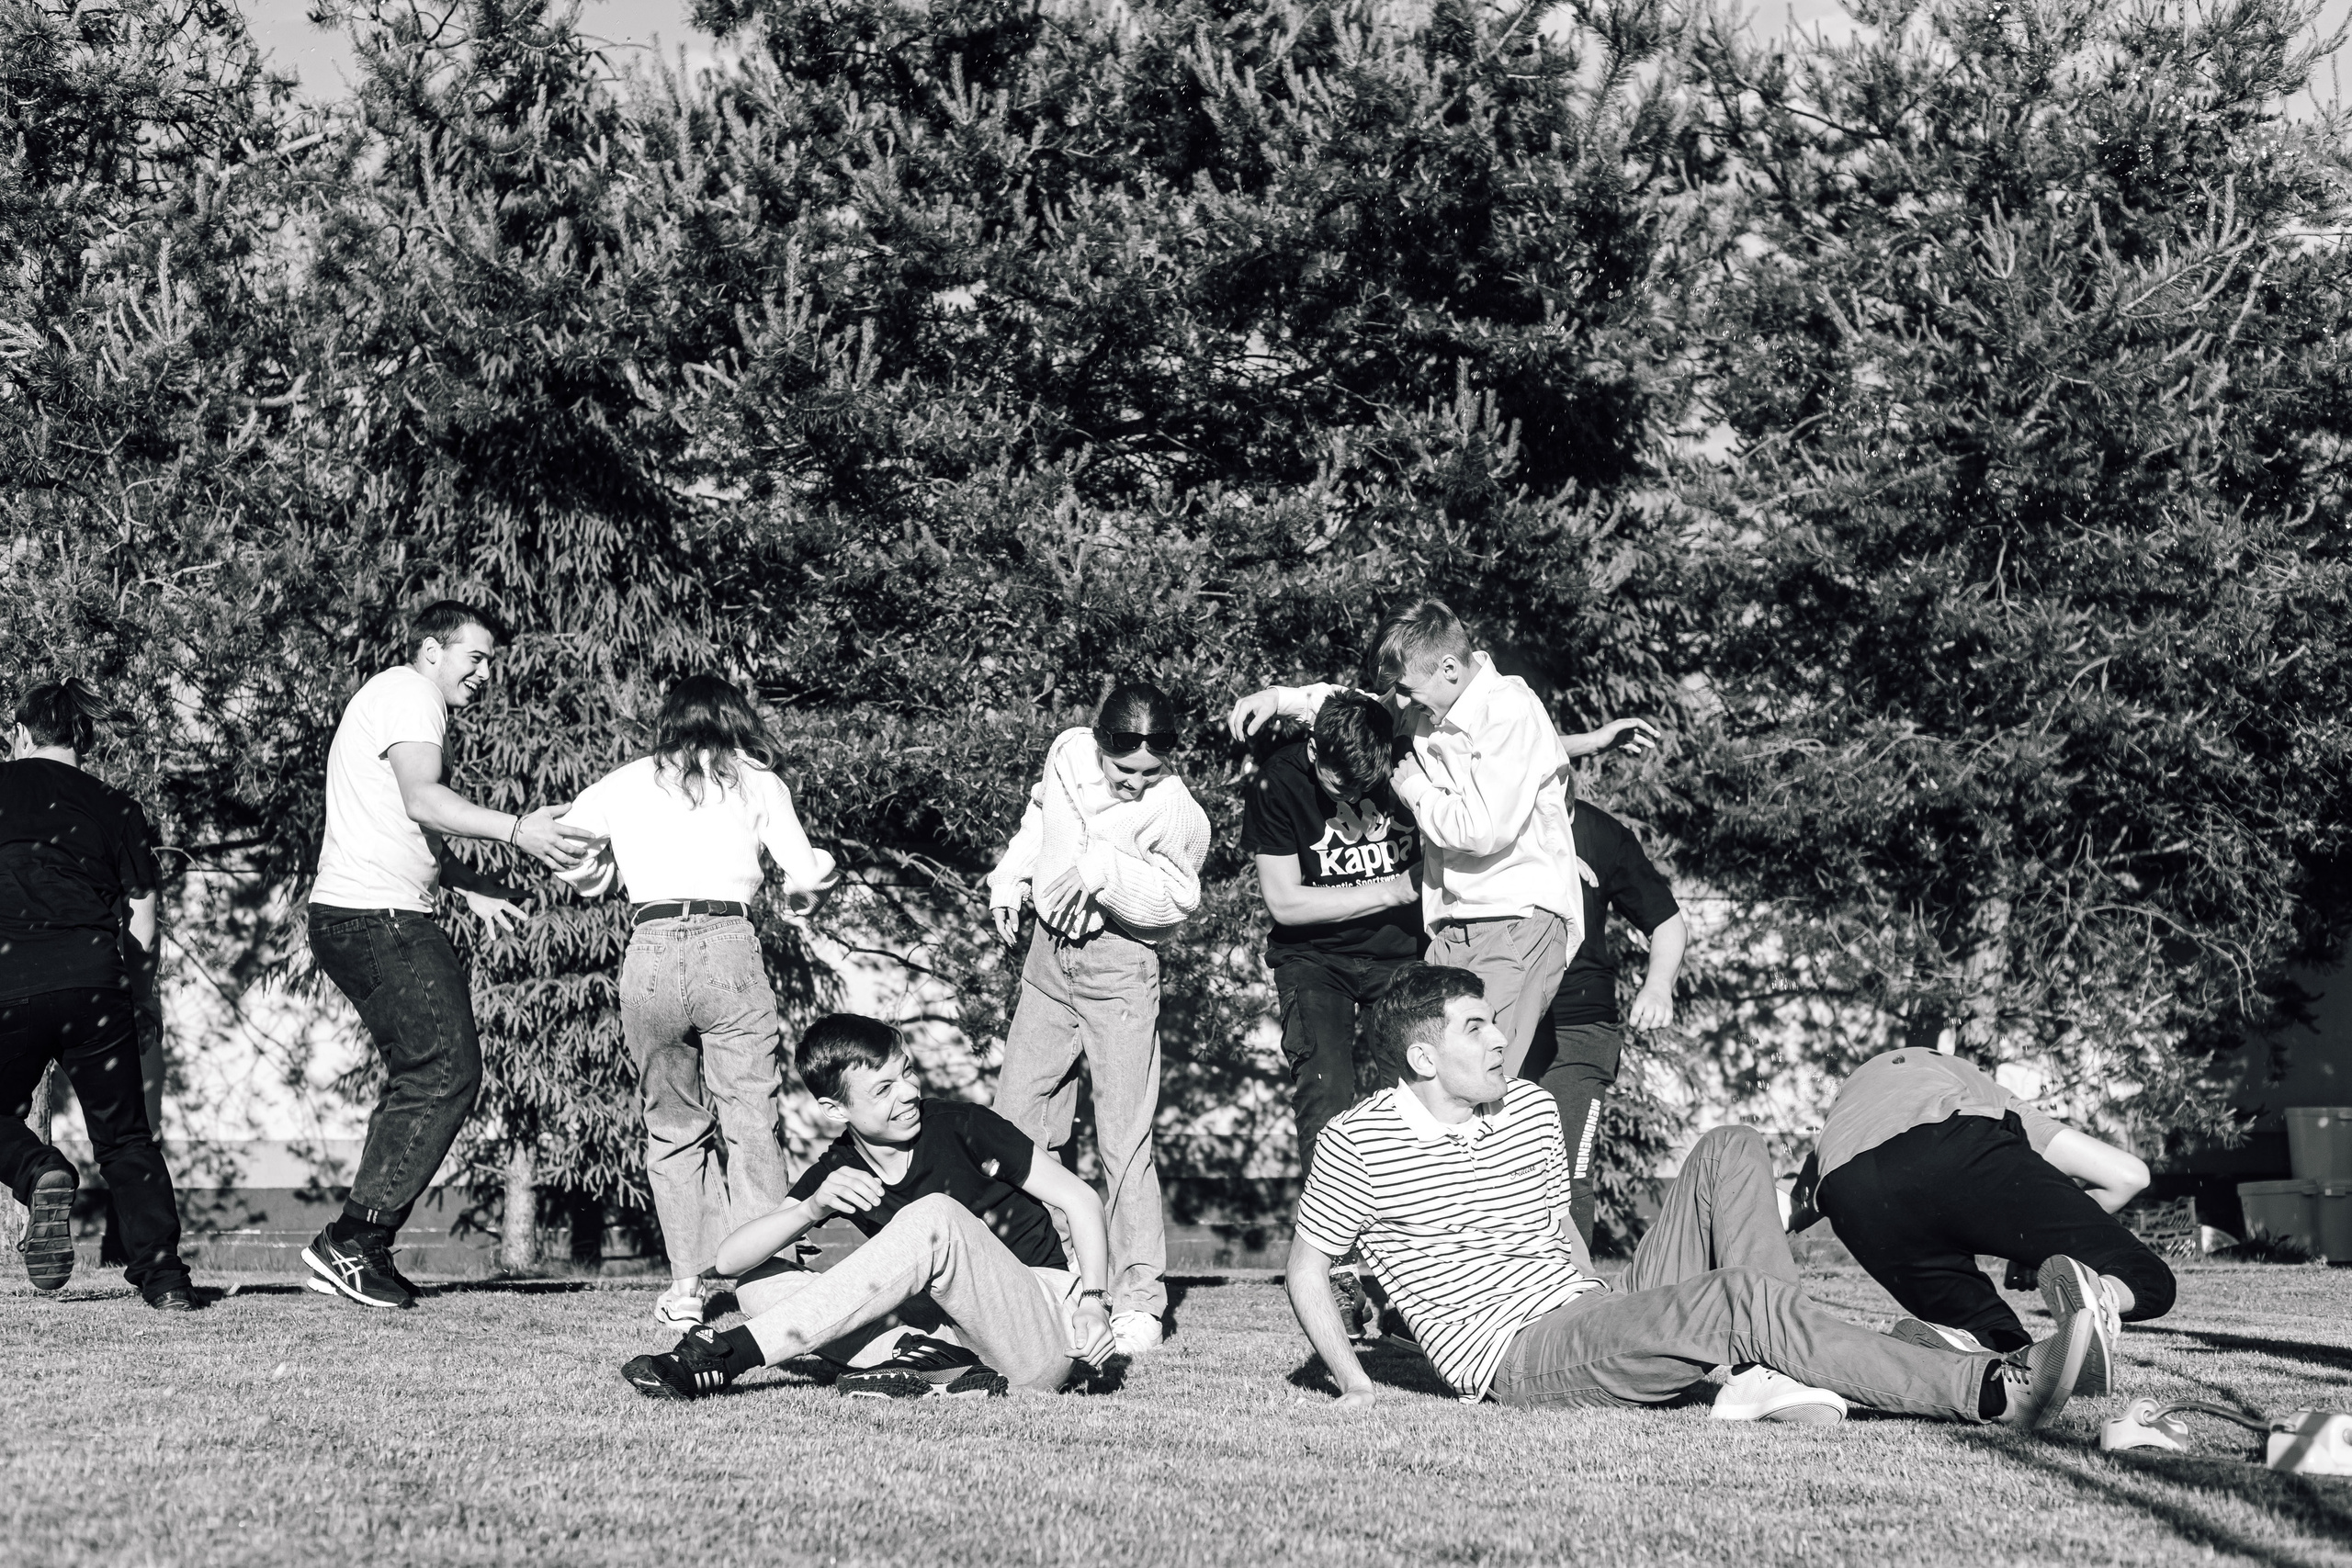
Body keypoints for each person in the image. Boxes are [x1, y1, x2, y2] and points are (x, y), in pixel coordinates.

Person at [1284, 963, 2109, 1430]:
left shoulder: (1530, 1107)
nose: (1502, 1036)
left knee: (1729, 1147)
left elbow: (1553, 1235)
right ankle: (1991, 1387)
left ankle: (1771, 1367)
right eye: (1475, 1027)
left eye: (1493, 1019)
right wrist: (1356, 1381)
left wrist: (1614, 1306)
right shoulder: (1360, 1142)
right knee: (1739, 1297)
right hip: (1519, 1356)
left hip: (1588, 1306)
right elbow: (1308, 1268)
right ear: (1424, 1060)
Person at [304, 600, 599, 1309]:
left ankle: (361, 1243)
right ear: (432, 651)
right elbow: (423, 800)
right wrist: (518, 828)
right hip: (380, 917)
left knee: (424, 1070)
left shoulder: (389, 695)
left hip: (361, 912)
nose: (486, 673)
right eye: (476, 657)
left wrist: (468, 887)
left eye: (492, 660)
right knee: (445, 1068)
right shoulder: (411, 694)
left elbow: (399, 820)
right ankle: (352, 1241)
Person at [1227, 603, 1658, 1076]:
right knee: (1429, 1086)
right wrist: (1279, 698)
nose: (1404, 704)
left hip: (1511, 925)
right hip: (1453, 927)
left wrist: (1413, 787)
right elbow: (1360, 710)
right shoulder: (1432, 706)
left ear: (1449, 668)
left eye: (1409, 691)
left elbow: (1481, 830)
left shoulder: (1509, 710)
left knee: (1477, 1080)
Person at [621, 1014, 1118, 1400]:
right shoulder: (840, 1166)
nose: (908, 1093)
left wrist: (1094, 1301)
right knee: (758, 1282)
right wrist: (809, 1208)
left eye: (905, 1074)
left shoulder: (965, 1124)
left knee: (933, 1216)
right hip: (949, 1330)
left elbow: (1080, 1199)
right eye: (883, 1089)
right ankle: (930, 1363)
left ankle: (728, 1355)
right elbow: (728, 1263)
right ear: (837, 1110)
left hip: (1039, 1329)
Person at [555, 674, 840, 1329]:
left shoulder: (625, 782)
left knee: (673, 1125)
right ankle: (770, 1277)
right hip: (729, 945)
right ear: (735, 719)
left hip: (650, 946)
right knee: (749, 1117)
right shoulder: (756, 780)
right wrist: (804, 898)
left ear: (669, 720)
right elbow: (808, 871)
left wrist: (598, 876)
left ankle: (687, 1288)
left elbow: (568, 847)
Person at [985, 682, 1211, 1358]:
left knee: (1122, 1135)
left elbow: (1179, 900)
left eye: (1151, 770)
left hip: (1120, 963)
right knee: (1018, 1117)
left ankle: (1139, 1297)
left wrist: (1104, 870)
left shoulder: (1177, 810)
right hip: (1048, 959)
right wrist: (1011, 878)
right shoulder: (1066, 753)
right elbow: (1038, 816)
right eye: (1125, 770)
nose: (1138, 783)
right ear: (1099, 742)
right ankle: (1057, 1271)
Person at [1789, 1046, 2175, 1397]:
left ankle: (1964, 1344)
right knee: (2147, 1277)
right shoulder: (1969, 1085)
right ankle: (2102, 1296)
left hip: (1850, 1194)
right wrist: (2042, 1248)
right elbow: (2128, 1176)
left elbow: (1780, 1209)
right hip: (1957, 1142)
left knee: (1998, 1342)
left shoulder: (1837, 1130)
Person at [0, 681, 195, 1310]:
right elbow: (143, 912)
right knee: (126, 1137)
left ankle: (37, 1171)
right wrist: (143, 1001)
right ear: (81, 738)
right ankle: (165, 1280)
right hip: (94, 984)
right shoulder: (116, 806)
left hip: (10, 983)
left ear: (22, 734)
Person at [1515, 799, 1686, 1248]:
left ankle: (1572, 1301)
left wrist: (1658, 986)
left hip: (1578, 1026)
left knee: (1566, 1169)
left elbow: (1667, 921)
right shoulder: (1483, 816)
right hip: (1496, 1021)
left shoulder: (1601, 833)